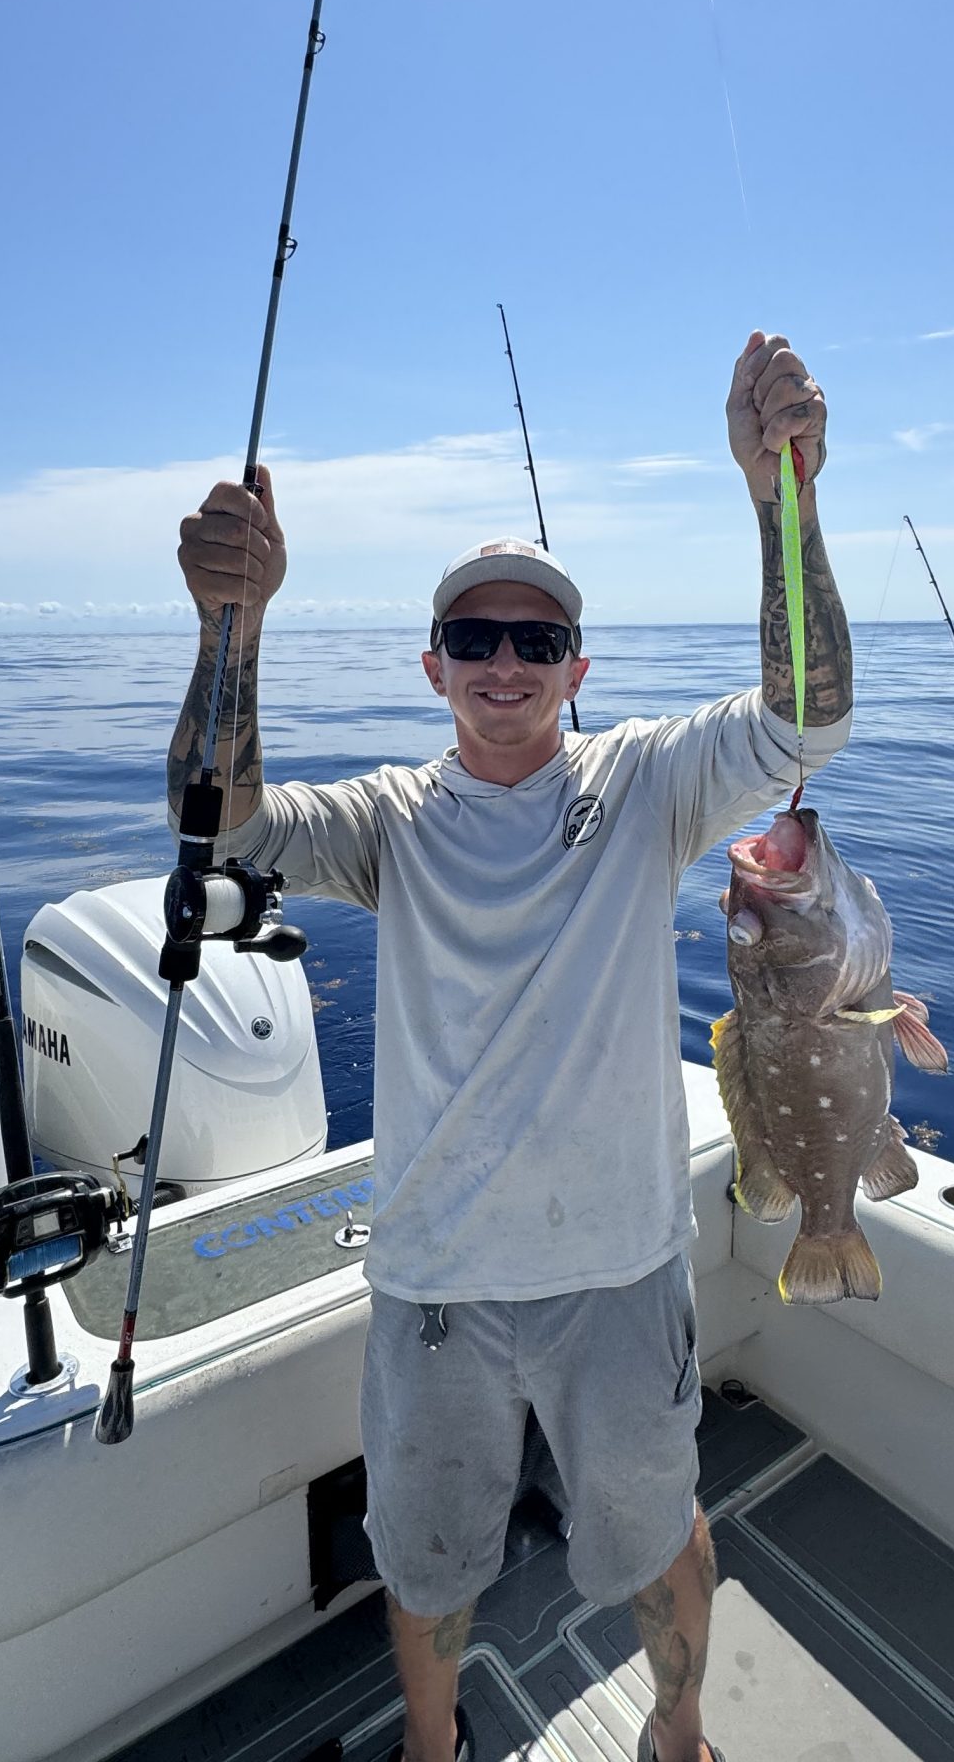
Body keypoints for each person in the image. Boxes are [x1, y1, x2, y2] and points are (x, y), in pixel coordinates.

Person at [169, 332, 854, 1762]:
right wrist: (231, 626)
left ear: (576, 666)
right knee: (425, 1563)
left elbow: (809, 715)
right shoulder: (390, 821)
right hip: (432, 1279)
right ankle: (436, 1748)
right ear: (432, 665)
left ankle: (677, 1733)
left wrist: (781, 502)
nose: (504, 662)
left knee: (657, 1532)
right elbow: (216, 822)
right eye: (475, 638)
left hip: (618, 1271)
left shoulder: (650, 785)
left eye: (535, 640)